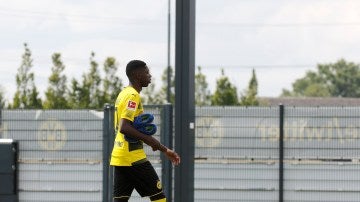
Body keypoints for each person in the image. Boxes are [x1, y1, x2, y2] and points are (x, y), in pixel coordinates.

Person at [110, 60, 180, 202]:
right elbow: (124, 127)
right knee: (159, 198)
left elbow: (124, 127)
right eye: (147, 72)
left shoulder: (123, 93)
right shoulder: (132, 96)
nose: (150, 75)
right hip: (133, 157)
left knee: (120, 200)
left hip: (120, 156)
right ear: (137, 75)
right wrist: (163, 149)